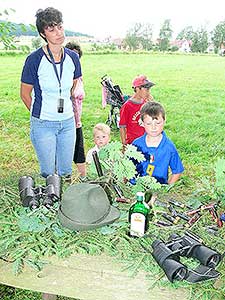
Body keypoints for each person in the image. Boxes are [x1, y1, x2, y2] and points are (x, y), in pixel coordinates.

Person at [20, 7, 82, 179]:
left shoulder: (73, 58)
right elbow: (25, 94)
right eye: (51, 29)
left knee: (66, 172)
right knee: (49, 174)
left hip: (68, 122)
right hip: (44, 124)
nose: (58, 32)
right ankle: (50, 203)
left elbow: (72, 86)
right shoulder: (34, 59)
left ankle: (64, 204)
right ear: (43, 33)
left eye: (60, 26)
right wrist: (40, 115)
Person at [132, 101, 184, 184]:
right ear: (142, 123)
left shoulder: (169, 147)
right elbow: (127, 167)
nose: (154, 127)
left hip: (158, 190)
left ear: (164, 121)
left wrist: (166, 188)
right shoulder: (136, 144)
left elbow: (177, 170)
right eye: (149, 123)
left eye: (158, 123)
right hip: (136, 189)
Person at [65, 41, 86, 177]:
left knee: (79, 150)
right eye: (72, 55)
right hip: (66, 120)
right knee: (64, 150)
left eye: (77, 56)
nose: (75, 59)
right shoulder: (63, 76)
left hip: (77, 120)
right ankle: (63, 178)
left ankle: (84, 178)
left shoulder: (79, 77)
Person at [119, 74, 155, 148]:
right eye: (146, 89)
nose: (148, 92)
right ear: (138, 89)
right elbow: (122, 126)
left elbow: (153, 118)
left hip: (147, 140)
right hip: (133, 143)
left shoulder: (146, 102)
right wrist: (124, 144)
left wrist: (152, 104)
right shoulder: (127, 106)